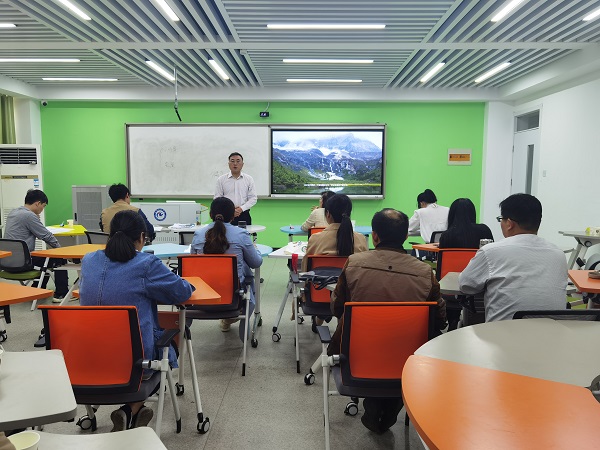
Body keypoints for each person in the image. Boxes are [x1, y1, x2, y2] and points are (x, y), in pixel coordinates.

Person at [329, 208, 447, 434]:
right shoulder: (424, 272)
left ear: (374, 236)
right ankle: (387, 407)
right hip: (408, 360)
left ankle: (377, 407)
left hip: (357, 356)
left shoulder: (354, 263)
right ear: (406, 236)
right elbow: (439, 320)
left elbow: (336, 307)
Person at [80, 210, 194, 431]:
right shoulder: (146, 264)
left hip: (88, 360)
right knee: (170, 347)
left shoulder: (89, 261)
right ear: (142, 237)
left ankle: (130, 411)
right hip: (134, 364)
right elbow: (181, 292)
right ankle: (131, 409)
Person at [459, 193, 568, 322]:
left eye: (501, 219)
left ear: (509, 223)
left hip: (503, 332)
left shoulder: (491, 251)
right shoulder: (558, 254)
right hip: (552, 332)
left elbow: (465, 285)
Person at [190, 196, 262, 339]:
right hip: (233, 297)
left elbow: (193, 264)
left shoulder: (198, 235)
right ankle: (236, 323)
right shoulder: (241, 234)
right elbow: (256, 263)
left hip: (201, 296)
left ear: (210, 214)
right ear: (233, 216)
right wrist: (255, 249)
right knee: (247, 276)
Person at [439, 198, 494, 329]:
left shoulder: (447, 235)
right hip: (478, 284)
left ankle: (452, 321)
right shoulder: (484, 230)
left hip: (451, 285)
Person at [3, 189, 69, 299]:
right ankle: (61, 294)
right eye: (43, 206)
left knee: (44, 258)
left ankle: (37, 289)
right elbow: (47, 236)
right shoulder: (29, 216)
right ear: (38, 203)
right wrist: (62, 251)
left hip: (7, 262)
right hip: (22, 263)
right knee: (58, 258)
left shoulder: (13, 213)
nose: (42, 209)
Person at [301, 194, 368, 272]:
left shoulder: (315, 239)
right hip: (352, 280)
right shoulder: (360, 239)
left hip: (321, 280)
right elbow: (365, 267)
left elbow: (306, 267)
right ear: (349, 214)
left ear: (328, 214)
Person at [214, 152, 256, 226]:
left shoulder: (249, 179)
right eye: (232, 161)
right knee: (225, 233)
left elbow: (253, 198)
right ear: (229, 164)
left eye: (238, 161)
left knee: (244, 233)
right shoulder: (221, 179)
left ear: (242, 164)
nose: (235, 164)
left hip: (244, 214)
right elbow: (217, 198)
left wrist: (241, 209)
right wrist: (230, 210)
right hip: (226, 215)